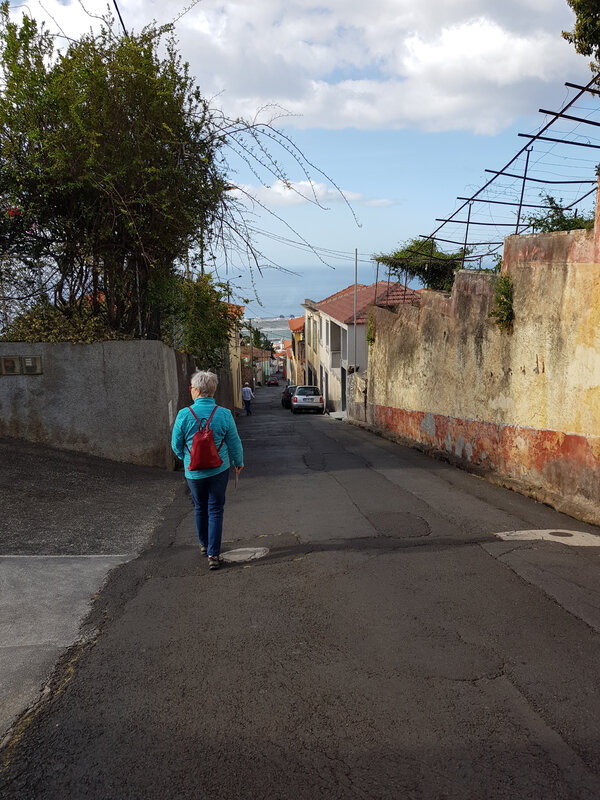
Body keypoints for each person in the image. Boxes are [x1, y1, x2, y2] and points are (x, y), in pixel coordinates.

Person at [171, 370, 244, 570]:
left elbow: (176, 444)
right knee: (215, 509)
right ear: (212, 390)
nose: (191, 391)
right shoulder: (224, 414)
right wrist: (238, 461)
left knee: (200, 507)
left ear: (196, 390)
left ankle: (204, 544)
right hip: (218, 470)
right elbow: (234, 442)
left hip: (193, 472)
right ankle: (214, 554)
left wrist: (185, 459)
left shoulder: (184, 415)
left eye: (191, 388)